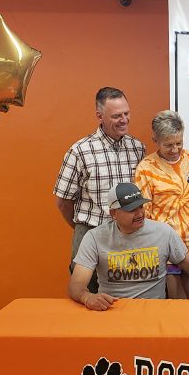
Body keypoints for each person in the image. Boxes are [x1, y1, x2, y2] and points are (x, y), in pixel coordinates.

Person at [53, 87, 146, 290]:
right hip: (91, 232)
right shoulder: (79, 151)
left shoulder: (138, 149)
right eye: (116, 116)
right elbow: (63, 202)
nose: (124, 120)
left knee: (129, 295)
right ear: (99, 116)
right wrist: (83, 229)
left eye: (126, 113)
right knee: (87, 293)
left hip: (129, 236)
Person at [68, 182, 189, 311]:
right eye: (131, 209)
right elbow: (76, 285)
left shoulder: (164, 232)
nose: (140, 214)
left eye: (141, 206)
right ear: (113, 213)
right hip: (113, 311)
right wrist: (87, 297)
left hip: (154, 312)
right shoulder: (95, 237)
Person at [133, 110, 189, 299]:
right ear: (156, 140)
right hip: (166, 247)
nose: (175, 149)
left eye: (179, 143)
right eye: (168, 145)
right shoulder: (146, 168)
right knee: (175, 303)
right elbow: (144, 213)